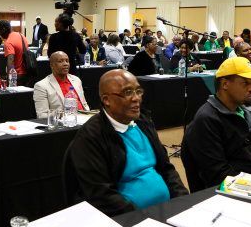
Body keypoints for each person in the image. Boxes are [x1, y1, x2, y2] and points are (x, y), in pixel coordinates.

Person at [67, 69, 187, 215]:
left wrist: (183, 202)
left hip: (166, 211)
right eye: (128, 92)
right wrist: (144, 218)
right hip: (130, 220)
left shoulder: (143, 122)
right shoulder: (90, 138)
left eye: (138, 91)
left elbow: (166, 168)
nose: (136, 98)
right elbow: (102, 196)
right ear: (106, 100)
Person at [180, 57, 251, 191]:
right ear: (225, 84)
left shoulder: (248, 113)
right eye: (245, 83)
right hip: (237, 192)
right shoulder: (206, 120)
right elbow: (218, 176)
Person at [33, 51, 89, 118]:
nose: (65, 64)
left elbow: (84, 104)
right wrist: (64, 114)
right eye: (60, 61)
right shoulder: (41, 86)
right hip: (65, 122)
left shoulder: (76, 80)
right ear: (51, 65)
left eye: (67, 61)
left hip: (84, 119)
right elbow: (42, 115)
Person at [0, 20, 32, 86]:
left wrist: (9, 82)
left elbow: (11, 61)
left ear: (3, 30)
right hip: (27, 74)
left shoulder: (8, 42)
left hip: (17, 76)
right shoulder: (21, 36)